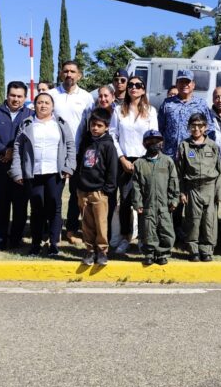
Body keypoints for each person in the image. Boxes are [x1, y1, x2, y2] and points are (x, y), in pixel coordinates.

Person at [10, 92, 76, 257]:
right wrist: (17, 171)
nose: (43, 105)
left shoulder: (61, 123)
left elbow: (70, 145)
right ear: (35, 105)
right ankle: (36, 244)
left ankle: (53, 244)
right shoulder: (27, 124)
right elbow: (18, 148)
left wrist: (69, 167)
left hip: (55, 173)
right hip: (34, 173)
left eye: (47, 102)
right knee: (37, 208)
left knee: (54, 207)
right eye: (40, 102)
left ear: (52, 106)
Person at [0, 80, 34, 251]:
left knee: (20, 207)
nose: (15, 99)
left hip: (22, 171)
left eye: (19, 96)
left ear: (25, 97)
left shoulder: (30, 115)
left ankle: (16, 239)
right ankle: (0, 240)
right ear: (7, 95)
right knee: (0, 207)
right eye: (12, 95)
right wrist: (4, 150)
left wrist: (14, 153)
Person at [109, 75, 158, 254]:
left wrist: (143, 159)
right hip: (124, 162)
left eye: (138, 85)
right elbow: (113, 135)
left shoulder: (151, 111)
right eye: (131, 85)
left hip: (145, 161)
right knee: (126, 200)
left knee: (145, 202)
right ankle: (124, 237)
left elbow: (154, 136)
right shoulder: (118, 111)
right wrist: (122, 158)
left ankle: (143, 238)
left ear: (143, 89)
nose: (134, 88)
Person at [50, 60, 95, 246]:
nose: (69, 74)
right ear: (61, 74)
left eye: (73, 71)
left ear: (79, 75)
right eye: (66, 71)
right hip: (54, 153)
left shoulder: (86, 97)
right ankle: (51, 230)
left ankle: (71, 230)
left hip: (78, 154)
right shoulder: (51, 95)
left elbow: (91, 125)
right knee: (53, 194)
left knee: (76, 194)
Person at [74, 107, 118, 266]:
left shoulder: (108, 145)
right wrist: (78, 184)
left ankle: (102, 251)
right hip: (83, 190)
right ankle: (90, 251)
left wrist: (107, 189)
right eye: (93, 125)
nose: (95, 128)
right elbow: (80, 163)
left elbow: (113, 169)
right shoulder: (86, 141)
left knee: (101, 223)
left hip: (100, 191)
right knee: (87, 223)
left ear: (106, 127)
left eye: (99, 125)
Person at [177, 113, 221, 262]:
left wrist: (218, 193)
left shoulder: (213, 146)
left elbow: (220, 172)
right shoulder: (184, 146)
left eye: (200, 126)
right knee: (193, 220)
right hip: (192, 188)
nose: (196, 129)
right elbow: (179, 172)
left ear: (206, 127)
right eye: (193, 126)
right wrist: (182, 192)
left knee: (209, 221)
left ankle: (207, 249)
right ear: (189, 127)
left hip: (209, 188)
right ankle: (193, 250)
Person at [132, 130, 179, 266]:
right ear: (144, 144)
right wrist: (138, 203)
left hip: (164, 204)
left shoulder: (168, 161)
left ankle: (162, 253)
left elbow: (173, 182)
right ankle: (149, 253)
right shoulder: (140, 163)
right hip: (148, 204)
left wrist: (174, 199)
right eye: (150, 142)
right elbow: (136, 186)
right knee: (148, 229)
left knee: (166, 229)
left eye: (157, 141)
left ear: (162, 143)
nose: (154, 144)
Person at [158, 69, 220, 157]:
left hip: (193, 154)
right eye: (181, 82)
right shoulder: (167, 103)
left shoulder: (201, 104)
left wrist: (206, 150)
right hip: (170, 154)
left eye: (187, 82)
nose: (184, 85)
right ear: (177, 84)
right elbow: (160, 128)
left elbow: (210, 128)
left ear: (193, 85)